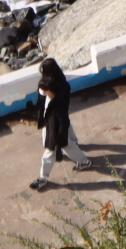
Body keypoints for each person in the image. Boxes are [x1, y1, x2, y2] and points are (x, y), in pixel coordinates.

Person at [29, 59, 102, 190]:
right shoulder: (62, 86)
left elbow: (61, 120)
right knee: (69, 136)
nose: (43, 93)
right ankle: (78, 150)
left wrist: (60, 139)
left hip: (54, 125)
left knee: (53, 149)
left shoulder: (57, 106)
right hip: (55, 121)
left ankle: (43, 177)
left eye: (45, 91)